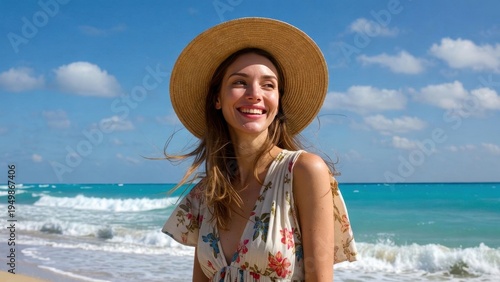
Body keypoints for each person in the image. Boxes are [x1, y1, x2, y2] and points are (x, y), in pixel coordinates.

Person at [162, 17, 357, 281]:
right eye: (240, 82)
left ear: (278, 100)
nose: (255, 94)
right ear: (217, 99)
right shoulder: (208, 193)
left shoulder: (304, 172)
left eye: (268, 85)